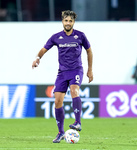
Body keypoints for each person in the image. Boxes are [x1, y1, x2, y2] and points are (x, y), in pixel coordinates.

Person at [32, 10, 93, 143]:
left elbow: (89, 51)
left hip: (76, 70)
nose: (68, 23)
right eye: (66, 20)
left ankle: (78, 122)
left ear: (73, 22)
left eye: (70, 21)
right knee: (58, 101)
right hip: (62, 73)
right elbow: (43, 49)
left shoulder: (80, 36)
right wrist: (37, 58)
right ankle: (60, 132)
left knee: (74, 91)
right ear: (62, 22)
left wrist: (90, 70)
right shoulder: (56, 37)